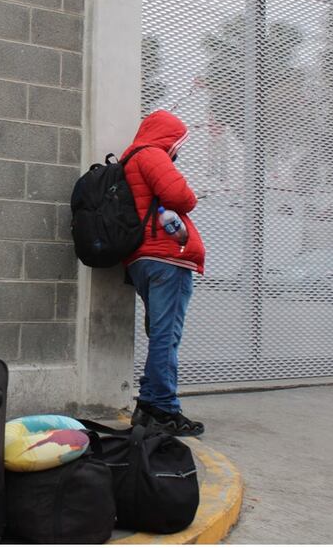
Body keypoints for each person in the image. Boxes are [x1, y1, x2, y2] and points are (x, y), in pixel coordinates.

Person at [122, 109, 206, 437]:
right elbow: (181, 197)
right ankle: (164, 410)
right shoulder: (153, 155)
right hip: (166, 258)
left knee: (161, 334)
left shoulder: (130, 159)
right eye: (178, 141)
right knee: (166, 336)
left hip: (141, 258)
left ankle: (148, 407)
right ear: (167, 137)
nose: (178, 149)